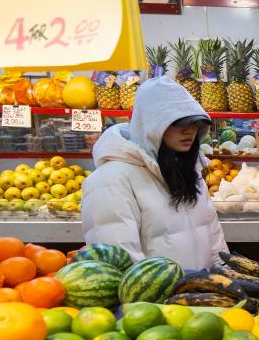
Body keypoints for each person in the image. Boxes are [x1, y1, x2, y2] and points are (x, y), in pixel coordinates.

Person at [82, 76, 227, 270]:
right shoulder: (111, 179)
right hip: (154, 299)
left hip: (199, 295)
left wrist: (224, 280)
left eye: (195, 123)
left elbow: (214, 238)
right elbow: (120, 261)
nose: (189, 131)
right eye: (177, 122)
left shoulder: (189, 172)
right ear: (151, 123)